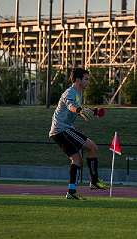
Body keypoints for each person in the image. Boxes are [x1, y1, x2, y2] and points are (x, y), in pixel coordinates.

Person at [49, 67, 108, 200]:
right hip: (62, 129)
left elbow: (80, 109)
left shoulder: (78, 93)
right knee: (92, 147)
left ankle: (71, 191)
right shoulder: (70, 92)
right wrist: (79, 110)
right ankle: (94, 181)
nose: (88, 82)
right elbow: (71, 106)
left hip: (58, 131)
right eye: (86, 79)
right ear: (78, 80)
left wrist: (94, 112)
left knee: (77, 160)